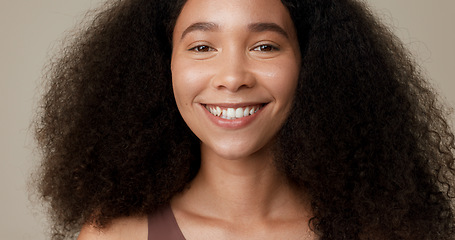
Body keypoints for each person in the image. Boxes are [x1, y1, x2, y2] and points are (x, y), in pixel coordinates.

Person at [33, 0, 455, 239]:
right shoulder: (114, 236)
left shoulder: (378, 234)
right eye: (201, 47)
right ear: (162, 68)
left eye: (265, 46)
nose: (233, 78)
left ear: (312, 66)